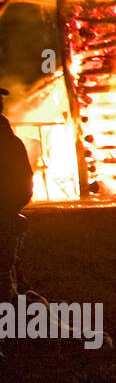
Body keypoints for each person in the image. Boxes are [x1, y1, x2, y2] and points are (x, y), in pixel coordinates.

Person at [1, 88, 34, 300]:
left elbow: (24, 185)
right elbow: (25, 186)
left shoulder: (12, 143)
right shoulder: (12, 142)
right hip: (8, 218)